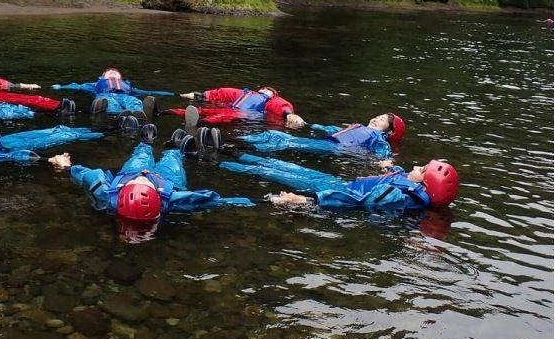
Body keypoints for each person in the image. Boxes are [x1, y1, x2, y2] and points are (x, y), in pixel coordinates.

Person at [49, 136, 255, 228]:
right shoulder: (174, 200)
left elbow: (86, 174)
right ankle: (175, 149)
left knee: (140, 157)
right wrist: (268, 199)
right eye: (143, 181)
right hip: (168, 181)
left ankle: (146, 142)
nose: (144, 176)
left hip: (128, 174)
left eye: (139, 181)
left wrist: (65, 166)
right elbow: (216, 201)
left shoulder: (106, 194)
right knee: (172, 161)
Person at [220, 154, 459, 210]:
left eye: (422, 169)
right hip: (338, 183)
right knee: (285, 167)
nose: (416, 167)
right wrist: (391, 167)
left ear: (426, 184)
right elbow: (398, 177)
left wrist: (308, 200)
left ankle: (218, 161)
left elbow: (357, 200)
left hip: (334, 191)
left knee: (279, 174)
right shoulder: (410, 188)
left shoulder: (402, 198)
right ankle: (231, 152)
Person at [237, 112, 405, 159]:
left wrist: (386, 163)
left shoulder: (378, 138)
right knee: (273, 134)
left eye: (382, 120)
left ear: (389, 132)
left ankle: (235, 146)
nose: (376, 118)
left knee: (282, 140)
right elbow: (332, 129)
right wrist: (307, 124)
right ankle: (237, 142)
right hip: (330, 142)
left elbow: (383, 154)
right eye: (378, 116)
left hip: (335, 148)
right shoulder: (358, 127)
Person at [52, 67, 172, 118]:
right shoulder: (94, 85)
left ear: (120, 77)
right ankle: (117, 115)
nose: (113, 72)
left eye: (115, 72)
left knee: (134, 101)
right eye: (110, 72)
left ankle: (138, 114)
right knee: (110, 102)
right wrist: (60, 86)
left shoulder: (128, 87)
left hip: (125, 96)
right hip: (105, 96)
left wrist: (173, 94)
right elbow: (77, 86)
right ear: (103, 76)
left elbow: (149, 92)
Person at [168, 86, 304, 127]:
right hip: (235, 111)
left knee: (218, 116)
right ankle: (168, 112)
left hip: (243, 114)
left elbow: (281, 105)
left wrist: (288, 114)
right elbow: (223, 93)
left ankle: (197, 123)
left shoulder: (271, 101)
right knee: (203, 111)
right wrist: (199, 95)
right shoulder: (245, 94)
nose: (266, 92)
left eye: (269, 91)